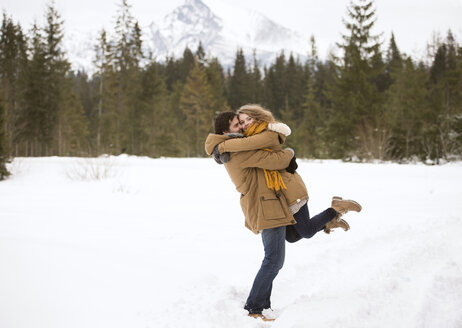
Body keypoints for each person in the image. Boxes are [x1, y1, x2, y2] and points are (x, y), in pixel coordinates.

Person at [204, 107, 361, 321]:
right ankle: (255, 308)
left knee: (285, 246)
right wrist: (289, 154)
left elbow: (266, 150)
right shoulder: (234, 151)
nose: (241, 127)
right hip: (264, 206)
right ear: (225, 132)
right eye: (236, 124)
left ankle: (262, 306)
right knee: (274, 259)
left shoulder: (231, 147)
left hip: (270, 202)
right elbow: (275, 160)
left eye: (242, 122)